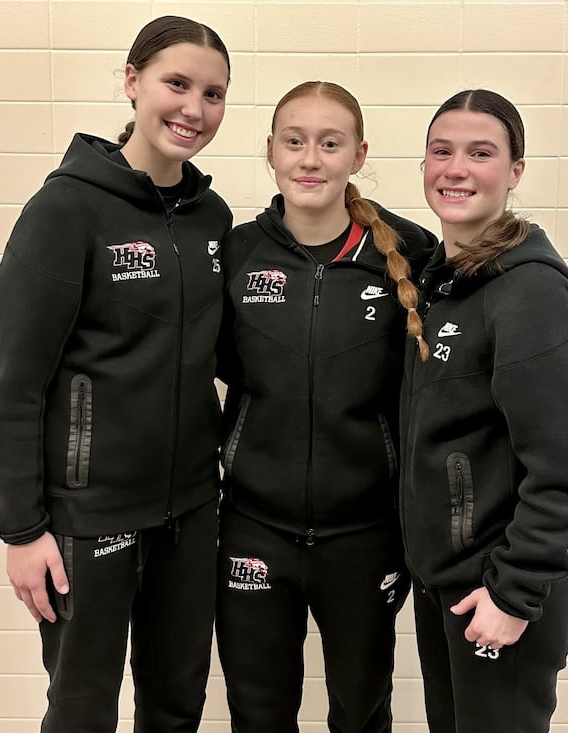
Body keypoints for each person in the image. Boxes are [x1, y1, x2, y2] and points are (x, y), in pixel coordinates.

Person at [0, 16, 232, 733]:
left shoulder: (211, 218)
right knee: (84, 708)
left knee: (177, 704)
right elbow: (11, 384)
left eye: (213, 94)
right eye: (176, 84)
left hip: (189, 509)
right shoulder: (66, 208)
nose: (193, 108)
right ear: (131, 82)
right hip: (87, 517)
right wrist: (21, 527)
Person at [215, 80, 437, 733]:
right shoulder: (237, 253)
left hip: (364, 536)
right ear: (272, 152)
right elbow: (222, 369)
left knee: (362, 711)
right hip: (254, 530)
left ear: (358, 154)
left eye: (330, 142)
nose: (310, 158)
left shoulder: (411, 253)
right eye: (295, 141)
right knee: (257, 714)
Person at [399, 88, 568, 733]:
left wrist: (513, 593)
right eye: (442, 151)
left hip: (498, 594)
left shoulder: (530, 292)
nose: (456, 168)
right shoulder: (438, 283)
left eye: (480, 153)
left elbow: (564, 475)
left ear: (514, 172)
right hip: (448, 589)